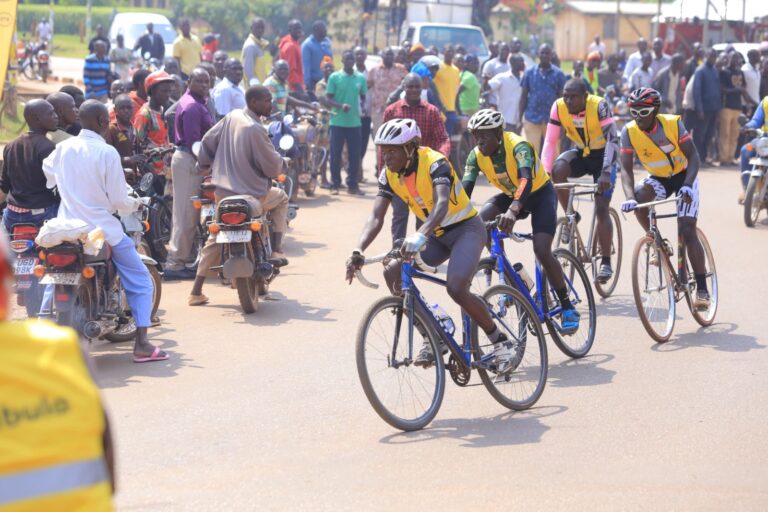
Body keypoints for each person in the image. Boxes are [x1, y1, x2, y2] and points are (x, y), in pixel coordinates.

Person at [346, 118, 520, 370]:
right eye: (383, 150)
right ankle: (433, 335)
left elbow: (441, 205)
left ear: (410, 148)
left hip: (466, 229)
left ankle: (500, 341)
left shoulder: (435, 162)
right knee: (393, 271)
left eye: (392, 150)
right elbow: (376, 216)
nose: (386, 156)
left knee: (456, 287)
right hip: (435, 235)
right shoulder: (388, 175)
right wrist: (358, 250)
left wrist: (419, 235)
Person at [0, 229, 116, 509]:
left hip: (54, 236)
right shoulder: (65, 347)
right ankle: (143, 336)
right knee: (133, 269)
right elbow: (107, 461)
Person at [43, 101, 167, 362]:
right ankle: (142, 345)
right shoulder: (107, 152)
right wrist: (134, 203)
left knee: (51, 280)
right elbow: (119, 201)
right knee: (141, 280)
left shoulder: (62, 148)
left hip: (67, 230)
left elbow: (49, 175)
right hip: (102, 231)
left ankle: (44, 331)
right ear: (102, 121)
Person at [461, 109, 581, 332]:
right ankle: (509, 274)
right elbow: (462, 192)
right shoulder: (475, 155)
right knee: (482, 219)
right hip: (510, 195)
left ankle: (566, 306)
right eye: (475, 135)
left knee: (542, 249)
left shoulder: (518, 145)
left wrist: (513, 210)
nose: (479, 141)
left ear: (499, 133)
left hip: (539, 195)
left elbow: (525, 179)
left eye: (484, 135)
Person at [189, 86, 290, 306]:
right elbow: (272, 166)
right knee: (281, 197)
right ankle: (276, 249)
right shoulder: (256, 128)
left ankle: (196, 291)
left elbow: (207, 140)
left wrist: (204, 164)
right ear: (253, 102)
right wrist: (283, 164)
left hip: (223, 195)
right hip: (253, 195)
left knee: (214, 237)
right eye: (266, 101)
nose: (270, 105)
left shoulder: (232, 116)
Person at [618, 88, 710, 309]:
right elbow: (626, 170)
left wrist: (688, 185)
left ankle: (703, 289)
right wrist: (630, 197)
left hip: (684, 176)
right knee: (640, 199)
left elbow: (694, 156)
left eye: (644, 112)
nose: (638, 118)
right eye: (634, 112)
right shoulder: (628, 132)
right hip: (659, 179)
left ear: (656, 110)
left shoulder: (672, 124)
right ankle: (657, 241)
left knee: (687, 229)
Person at [542, 79, 619, 281]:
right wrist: (544, 171)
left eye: (573, 96)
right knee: (557, 170)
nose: (568, 100)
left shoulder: (599, 105)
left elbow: (612, 139)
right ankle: (571, 215)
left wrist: (605, 171)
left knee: (601, 207)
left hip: (604, 158)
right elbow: (550, 141)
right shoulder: (558, 107)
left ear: (585, 96)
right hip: (581, 154)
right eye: (565, 95)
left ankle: (606, 261)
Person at [1, 100, 59, 317]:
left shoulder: (11, 145)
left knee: (20, 255)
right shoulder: (48, 147)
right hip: (41, 214)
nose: (55, 116)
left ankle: (23, 290)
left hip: (13, 216)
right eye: (50, 113)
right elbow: (57, 184)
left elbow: (4, 185)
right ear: (36, 118)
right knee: (60, 257)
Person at [382, 73, 451, 242]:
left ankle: (421, 253)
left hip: (423, 174)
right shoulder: (392, 111)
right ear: (403, 87)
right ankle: (397, 252)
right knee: (399, 215)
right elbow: (383, 146)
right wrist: (382, 169)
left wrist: (440, 160)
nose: (414, 90)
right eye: (410, 86)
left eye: (417, 87)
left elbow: (442, 138)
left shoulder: (432, 111)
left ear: (422, 88)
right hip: (398, 173)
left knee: (424, 214)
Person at [164, 68, 215, 280]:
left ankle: (185, 257)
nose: (204, 85)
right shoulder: (192, 106)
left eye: (207, 81)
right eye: (199, 81)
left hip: (191, 159)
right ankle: (175, 264)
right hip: (190, 160)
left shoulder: (196, 101)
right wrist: (204, 165)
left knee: (188, 213)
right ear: (188, 82)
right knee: (185, 214)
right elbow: (195, 143)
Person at [326, 50, 368, 196]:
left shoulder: (360, 78)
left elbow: (363, 96)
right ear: (342, 61)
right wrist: (340, 106)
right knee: (335, 154)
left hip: (355, 122)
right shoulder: (334, 77)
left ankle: (353, 185)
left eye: (352, 59)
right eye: (347, 59)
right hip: (337, 121)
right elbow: (328, 98)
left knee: (354, 155)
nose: (350, 61)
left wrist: (362, 107)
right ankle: (335, 184)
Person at [519, 44, 567, 155]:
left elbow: (562, 100)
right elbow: (523, 97)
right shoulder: (529, 73)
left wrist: (564, 122)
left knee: (553, 153)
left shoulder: (559, 74)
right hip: (532, 118)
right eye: (542, 53)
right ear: (538, 55)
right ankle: (533, 173)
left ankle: (552, 173)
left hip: (553, 119)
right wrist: (519, 117)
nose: (545, 55)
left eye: (547, 53)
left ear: (551, 55)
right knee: (531, 152)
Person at [134, 71, 174, 179]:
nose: (168, 95)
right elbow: (138, 147)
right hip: (153, 173)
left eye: (169, 91)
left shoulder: (161, 110)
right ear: (151, 92)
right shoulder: (144, 115)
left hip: (165, 169)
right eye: (164, 91)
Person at [369, 46, 408, 136]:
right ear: (382, 56)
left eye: (391, 55)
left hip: (397, 110)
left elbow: (408, 83)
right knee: (379, 137)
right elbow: (367, 87)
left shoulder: (401, 69)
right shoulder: (374, 70)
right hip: (378, 110)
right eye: (387, 54)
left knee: (396, 137)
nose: (389, 57)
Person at [719, 52, 750, 166]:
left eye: (737, 58)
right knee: (725, 133)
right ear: (729, 59)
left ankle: (731, 157)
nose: (735, 60)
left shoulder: (740, 72)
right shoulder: (724, 72)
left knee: (735, 134)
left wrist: (748, 104)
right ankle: (723, 158)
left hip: (738, 107)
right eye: (733, 58)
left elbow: (744, 88)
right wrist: (736, 90)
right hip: (726, 106)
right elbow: (722, 89)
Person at [692, 49, 722, 163]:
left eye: (714, 56)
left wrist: (718, 109)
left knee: (709, 135)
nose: (713, 58)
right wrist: (699, 109)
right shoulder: (700, 70)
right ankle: (696, 158)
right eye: (711, 56)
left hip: (714, 108)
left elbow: (717, 90)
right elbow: (697, 90)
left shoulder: (715, 70)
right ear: (706, 56)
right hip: (704, 109)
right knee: (699, 135)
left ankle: (703, 158)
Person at [738, 96, 768, 200]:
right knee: (745, 150)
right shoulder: (766, 102)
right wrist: (747, 127)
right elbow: (756, 120)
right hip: (764, 140)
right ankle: (747, 188)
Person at [106, 93, 143, 172]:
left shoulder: (133, 127)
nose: (126, 111)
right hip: (118, 175)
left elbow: (136, 150)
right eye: (122, 108)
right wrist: (127, 159)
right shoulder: (112, 129)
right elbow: (106, 157)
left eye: (129, 108)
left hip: (133, 175)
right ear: (115, 110)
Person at [489, 53, 525, 133]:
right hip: (506, 120)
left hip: (520, 121)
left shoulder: (525, 78)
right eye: (520, 62)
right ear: (512, 63)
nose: (523, 64)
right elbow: (488, 88)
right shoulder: (502, 77)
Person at [434, 44, 461, 135]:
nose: (450, 53)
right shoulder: (438, 67)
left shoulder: (456, 70)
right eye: (448, 51)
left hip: (451, 111)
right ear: (443, 52)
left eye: (452, 51)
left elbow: (456, 91)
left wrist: (458, 110)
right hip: (440, 110)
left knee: (448, 139)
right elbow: (433, 88)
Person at [302, 20, 333, 98]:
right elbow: (306, 66)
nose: (326, 31)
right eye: (323, 29)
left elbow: (331, 61)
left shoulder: (327, 42)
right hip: (314, 83)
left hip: (328, 81)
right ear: (316, 30)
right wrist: (308, 85)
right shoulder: (307, 45)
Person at [354, 46, 373, 171]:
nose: (360, 56)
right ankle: (355, 170)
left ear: (366, 56)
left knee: (364, 144)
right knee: (353, 146)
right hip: (353, 115)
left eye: (362, 54)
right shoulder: (349, 72)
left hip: (366, 114)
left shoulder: (371, 73)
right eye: (358, 54)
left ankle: (358, 167)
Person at [279, 19, 306, 95]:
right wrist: (300, 90)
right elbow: (291, 71)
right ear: (289, 30)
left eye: (300, 28)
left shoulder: (293, 43)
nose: (299, 30)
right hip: (293, 89)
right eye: (296, 28)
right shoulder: (291, 46)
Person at [242, 18, 270, 86]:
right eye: (257, 28)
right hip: (255, 89)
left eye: (262, 28)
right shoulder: (251, 46)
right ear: (251, 28)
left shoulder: (259, 44)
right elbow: (248, 72)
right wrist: (256, 88)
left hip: (261, 86)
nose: (260, 30)